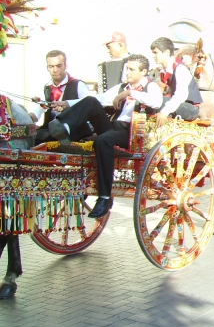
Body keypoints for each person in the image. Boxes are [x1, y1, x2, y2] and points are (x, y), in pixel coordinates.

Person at [47, 54, 163, 218]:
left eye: (131, 69)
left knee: (102, 140)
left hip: (132, 133)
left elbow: (156, 102)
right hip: (113, 127)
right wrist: (67, 103)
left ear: (144, 71)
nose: (127, 73)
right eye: (126, 69)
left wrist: (130, 93)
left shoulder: (151, 87)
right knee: (91, 102)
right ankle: (65, 127)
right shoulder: (121, 87)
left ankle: (104, 197)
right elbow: (98, 99)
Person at [29, 49, 91, 142]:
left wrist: (68, 105)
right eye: (51, 66)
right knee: (33, 137)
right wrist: (28, 117)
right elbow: (39, 107)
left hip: (75, 131)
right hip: (51, 131)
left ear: (65, 66)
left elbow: (89, 105)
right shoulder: (46, 88)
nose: (55, 70)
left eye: (58, 66)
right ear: (47, 68)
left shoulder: (78, 84)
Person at [150, 37, 203, 127]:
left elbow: (180, 96)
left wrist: (164, 112)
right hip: (180, 104)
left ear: (166, 53)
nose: (154, 56)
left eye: (156, 53)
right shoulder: (164, 71)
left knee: (159, 101)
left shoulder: (180, 69)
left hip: (190, 108)